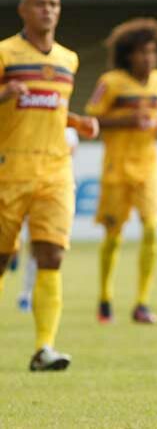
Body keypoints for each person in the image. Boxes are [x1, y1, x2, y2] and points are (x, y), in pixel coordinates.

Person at [0, 0, 98, 371]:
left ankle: (44, 348)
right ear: (22, 10)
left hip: (56, 170)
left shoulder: (68, 59)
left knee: (51, 255)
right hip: (10, 168)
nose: (48, 10)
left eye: (54, 4)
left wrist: (79, 121)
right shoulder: (6, 53)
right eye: (39, 4)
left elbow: (51, 107)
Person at [85, 18, 157, 325]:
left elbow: (152, 116)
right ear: (128, 55)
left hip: (148, 165)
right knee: (113, 236)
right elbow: (92, 122)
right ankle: (105, 297)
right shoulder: (110, 82)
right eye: (141, 52)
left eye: (152, 52)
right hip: (116, 168)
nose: (148, 58)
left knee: (152, 228)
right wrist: (127, 121)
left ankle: (141, 302)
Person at [16, 128, 80, 312]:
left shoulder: (68, 131)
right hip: (23, 183)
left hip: (51, 191)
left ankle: (27, 294)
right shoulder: (29, 120)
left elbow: (70, 152)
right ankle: (14, 249)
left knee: (42, 248)